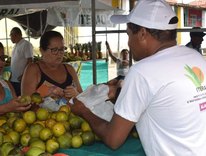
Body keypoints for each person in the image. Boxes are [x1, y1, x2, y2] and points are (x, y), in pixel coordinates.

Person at [70, 0, 206, 155]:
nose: (128, 42)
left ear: (142, 33)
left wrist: (83, 111)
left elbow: (113, 139)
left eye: (128, 34)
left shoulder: (142, 72)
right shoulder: (195, 57)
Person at [21, 30, 83, 104]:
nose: (59, 53)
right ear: (42, 50)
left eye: (62, 49)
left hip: (71, 115)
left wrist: (76, 94)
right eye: (54, 50)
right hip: (44, 115)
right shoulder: (33, 69)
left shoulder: (69, 69)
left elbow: (83, 97)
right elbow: (25, 102)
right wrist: (44, 97)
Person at [9, 27, 34, 96]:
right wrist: (11, 74)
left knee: (21, 98)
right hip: (14, 79)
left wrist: (24, 75)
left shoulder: (26, 44)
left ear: (16, 35)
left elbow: (30, 61)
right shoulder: (16, 45)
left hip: (21, 79)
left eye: (11, 35)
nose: (10, 38)